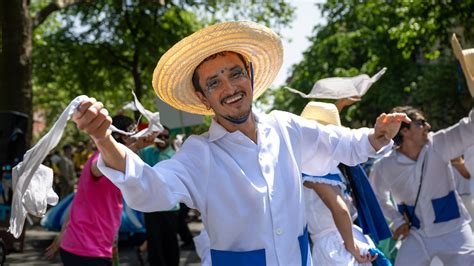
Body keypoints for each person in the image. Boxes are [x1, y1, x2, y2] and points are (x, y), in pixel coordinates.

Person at [72, 21, 409, 265]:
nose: (230, 87)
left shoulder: (286, 127)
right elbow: (151, 187)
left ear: (249, 75)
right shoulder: (199, 153)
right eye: (214, 82)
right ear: (204, 98)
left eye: (235, 73)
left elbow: (341, 143)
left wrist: (376, 136)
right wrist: (103, 137)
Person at [370, 105, 474, 265]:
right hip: (417, 234)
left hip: (454, 231)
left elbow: (468, 129)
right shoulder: (384, 166)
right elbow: (377, 198)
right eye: (421, 123)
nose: (428, 126)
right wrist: (397, 221)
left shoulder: (438, 144)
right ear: (404, 130)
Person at [45, 115, 155, 266]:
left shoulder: (120, 165)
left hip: (93, 248)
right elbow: (105, 164)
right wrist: (135, 147)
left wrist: (62, 234)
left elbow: (78, 201)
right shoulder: (99, 160)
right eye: (132, 131)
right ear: (118, 136)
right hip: (87, 250)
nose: (137, 135)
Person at [300, 101, 391, 266]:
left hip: (337, 246)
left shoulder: (311, 168)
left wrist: (352, 247)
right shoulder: (329, 168)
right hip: (345, 239)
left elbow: (340, 209)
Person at [138, 126, 180, 266]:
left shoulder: (175, 156)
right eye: (160, 136)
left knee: (170, 242)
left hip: (170, 206)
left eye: (165, 136)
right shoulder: (146, 152)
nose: (162, 139)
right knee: (154, 243)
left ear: (169, 138)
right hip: (151, 206)